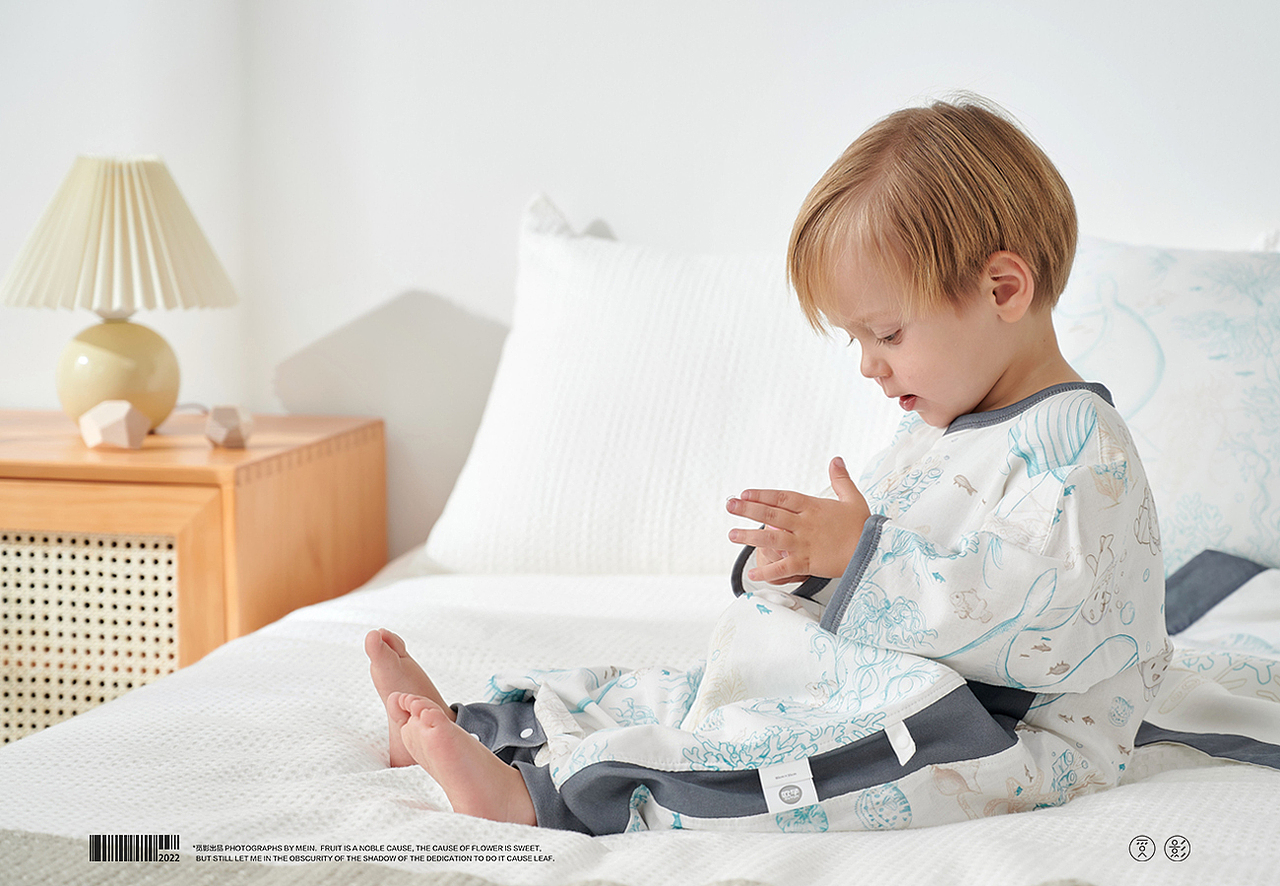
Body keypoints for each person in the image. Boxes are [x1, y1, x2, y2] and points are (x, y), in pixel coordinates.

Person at [366, 94, 1171, 834]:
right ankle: (489, 727)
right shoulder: (942, 430)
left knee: (778, 765)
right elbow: (875, 570)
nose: (868, 366)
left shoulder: (1081, 449)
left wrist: (865, 557)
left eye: (887, 334)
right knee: (700, 692)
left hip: (995, 729)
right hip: (893, 675)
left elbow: (1052, 625)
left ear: (1003, 289)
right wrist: (803, 564)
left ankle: (544, 801)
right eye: (856, 339)